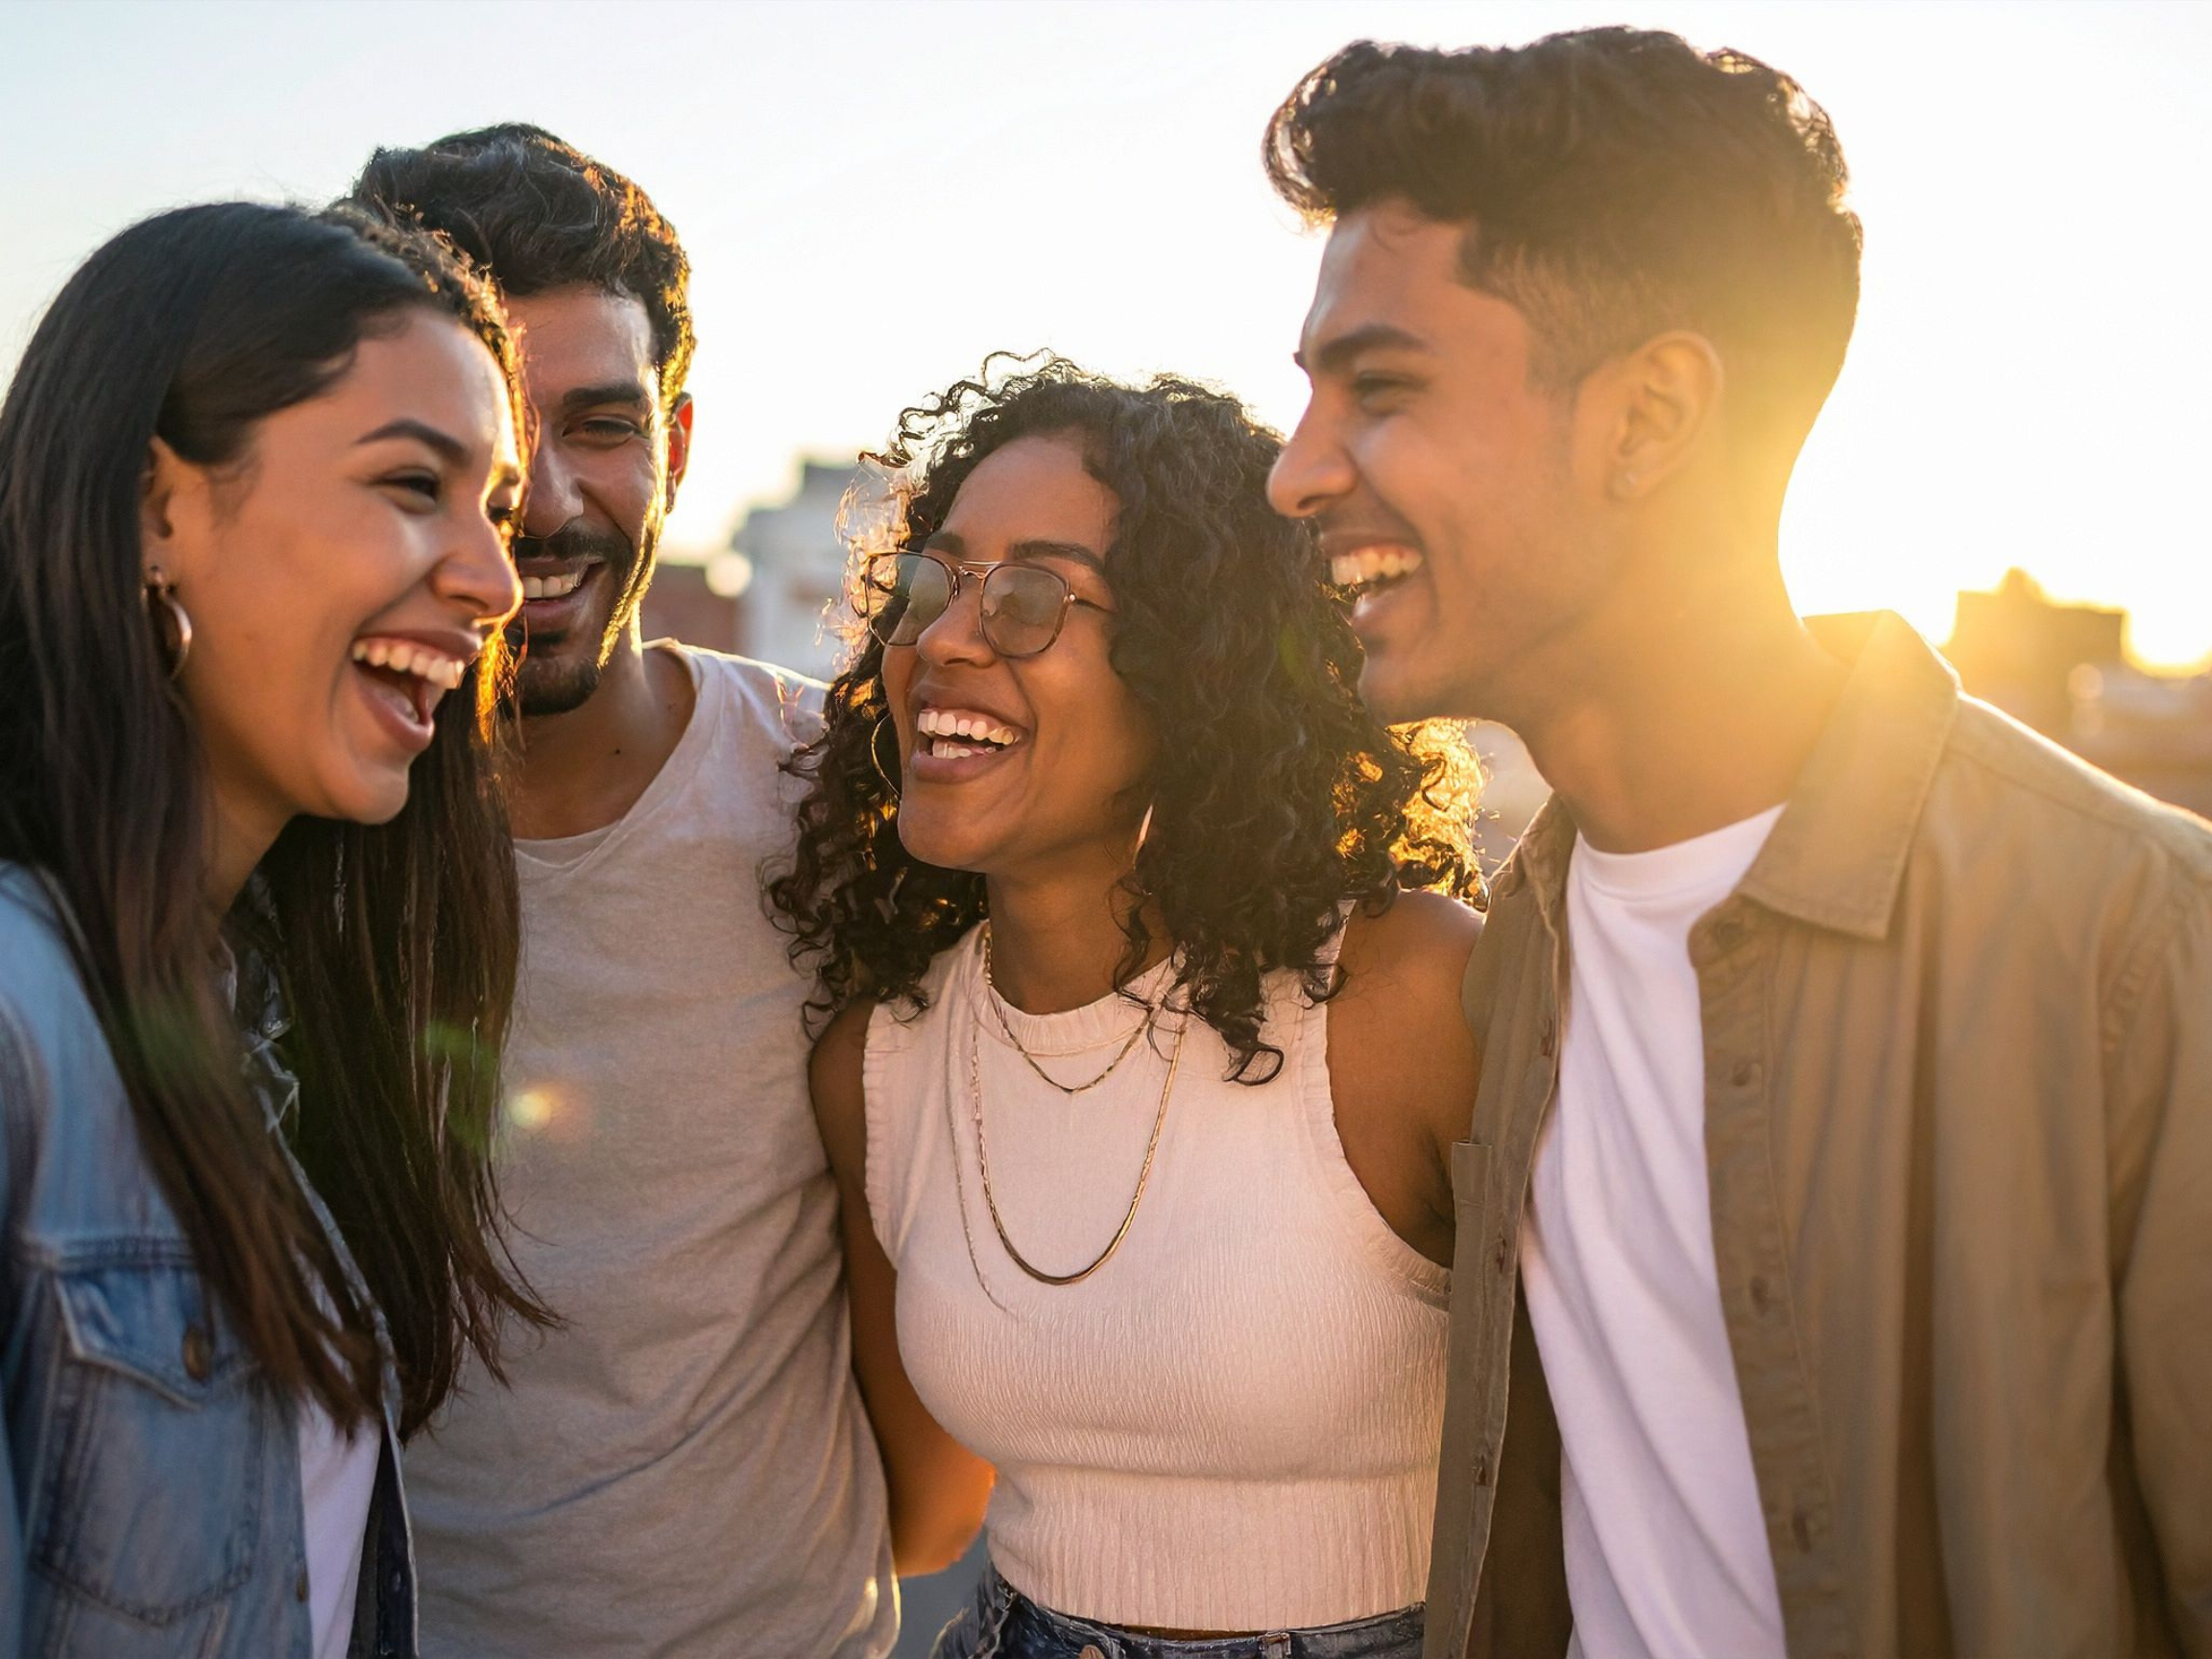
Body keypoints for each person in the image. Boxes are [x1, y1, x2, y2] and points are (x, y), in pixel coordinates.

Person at [1263, 28, 2212, 1659]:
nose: (1296, 471)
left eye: (1384, 387)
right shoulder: (1516, 955)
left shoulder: (2133, 942)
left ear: (1650, 417)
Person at [770, 358, 1487, 1659]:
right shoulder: (881, 1065)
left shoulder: (1408, 999)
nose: (941, 640)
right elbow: (926, 1522)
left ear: (1193, 670)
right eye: (936, 585)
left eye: (1034, 597)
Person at [349, 126, 897, 1657]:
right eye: (479, 441)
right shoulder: (292, 834)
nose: (541, 504)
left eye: (600, 424)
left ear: (681, 438)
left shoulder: (837, 803)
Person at [0, 200, 542, 1658]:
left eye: (492, 508)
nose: (496, 579)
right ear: (153, 513)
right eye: (414, 483)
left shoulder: (238, 1025)